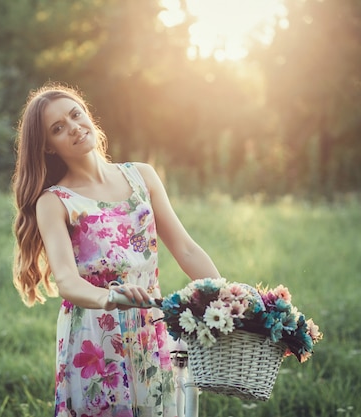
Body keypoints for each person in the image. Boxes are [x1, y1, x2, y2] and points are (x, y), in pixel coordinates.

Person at [12, 83, 221, 417]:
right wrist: (108, 297)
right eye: (58, 129)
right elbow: (66, 280)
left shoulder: (142, 176)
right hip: (95, 336)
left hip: (151, 325)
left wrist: (228, 300)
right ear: (49, 147)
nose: (74, 128)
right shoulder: (54, 202)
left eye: (75, 115)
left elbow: (186, 249)